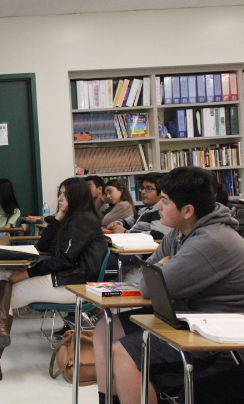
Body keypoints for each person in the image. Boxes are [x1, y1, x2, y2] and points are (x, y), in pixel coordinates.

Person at [92, 166, 244, 404]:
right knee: (105, 329)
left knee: (127, 354)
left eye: (164, 201)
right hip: (186, 319)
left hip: (217, 340)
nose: (157, 207)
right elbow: (149, 271)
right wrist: (163, 267)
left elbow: (149, 286)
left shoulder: (212, 241)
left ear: (187, 210)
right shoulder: (182, 231)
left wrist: (161, 269)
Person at [0, 177, 108, 381]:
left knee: (6, 299)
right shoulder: (71, 218)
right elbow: (43, 247)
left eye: (65, 194)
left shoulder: (83, 220)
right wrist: (57, 218)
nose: (60, 198)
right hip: (62, 277)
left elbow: (64, 259)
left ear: (77, 196)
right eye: (60, 193)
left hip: (74, 284)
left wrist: (26, 274)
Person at [107, 172, 170, 240]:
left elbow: (158, 235)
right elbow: (126, 222)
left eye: (148, 188)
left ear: (161, 192)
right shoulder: (143, 210)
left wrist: (126, 232)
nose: (143, 191)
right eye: (142, 188)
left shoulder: (160, 211)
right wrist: (117, 223)